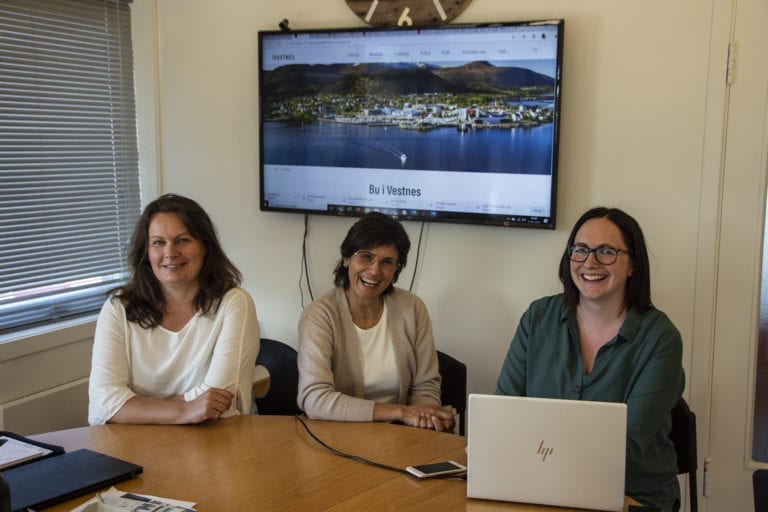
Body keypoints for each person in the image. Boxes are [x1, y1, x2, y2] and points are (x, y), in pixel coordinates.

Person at [495, 207, 685, 512]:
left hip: (631, 494)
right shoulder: (538, 318)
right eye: (580, 250)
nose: (590, 263)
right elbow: (503, 411)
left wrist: (540, 451)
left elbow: (627, 447)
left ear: (633, 265)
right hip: (539, 485)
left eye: (607, 252)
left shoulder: (661, 338)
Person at [88, 194, 260, 425]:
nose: (170, 252)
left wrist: (136, 407)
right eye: (158, 242)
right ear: (146, 253)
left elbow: (221, 404)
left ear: (205, 247)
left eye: (183, 240)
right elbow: (102, 405)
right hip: (136, 442)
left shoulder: (234, 303)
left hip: (213, 439)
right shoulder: (118, 308)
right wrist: (184, 411)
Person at [297, 212, 454, 431]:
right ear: (346, 258)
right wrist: (401, 412)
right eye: (366, 257)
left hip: (402, 434)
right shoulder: (320, 315)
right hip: (338, 435)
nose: (375, 270)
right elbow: (315, 399)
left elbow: (425, 386)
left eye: (387, 262)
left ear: (396, 269)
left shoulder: (412, 308)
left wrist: (423, 418)